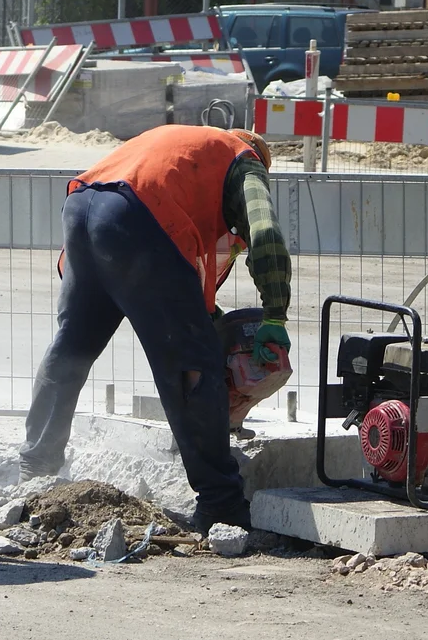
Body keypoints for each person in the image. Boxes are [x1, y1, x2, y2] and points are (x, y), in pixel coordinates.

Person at [21, 125, 292, 534]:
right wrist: (274, 314)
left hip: (83, 208)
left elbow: (180, 277)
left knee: (72, 347)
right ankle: (221, 503)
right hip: (140, 216)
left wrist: (206, 317)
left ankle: (35, 471)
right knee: (191, 366)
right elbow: (265, 233)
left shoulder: (185, 148)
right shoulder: (244, 161)